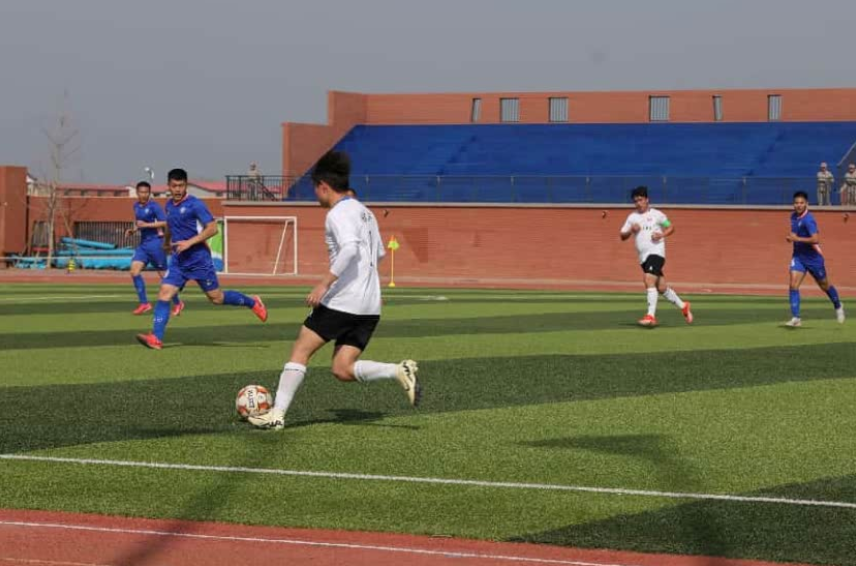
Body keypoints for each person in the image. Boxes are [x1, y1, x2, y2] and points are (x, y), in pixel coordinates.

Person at [249, 151, 419, 430]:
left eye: (315, 188)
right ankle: (398, 371)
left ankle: (276, 415)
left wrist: (324, 283)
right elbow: (378, 254)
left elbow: (350, 249)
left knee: (301, 350)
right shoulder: (366, 213)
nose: (315, 194)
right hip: (369, 305)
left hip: (343, 301)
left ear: (324, 186)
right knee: (342, 368)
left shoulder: (337, 214)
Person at [136, 168, 268, 350]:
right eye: (174, 186)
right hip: (179, 261)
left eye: (181, 185)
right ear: (168, 186)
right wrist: (166, 243)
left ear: (186, 185)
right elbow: (170, 226)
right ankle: (156, 338)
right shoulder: (169, 206)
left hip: (199, 260)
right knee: (164, 293)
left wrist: (189, 243)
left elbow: (213, 228)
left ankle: (252, 302)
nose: (177, 189)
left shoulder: (195, 204)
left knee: (216, 298)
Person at [619, 186, 693, 327]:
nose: (638, 203)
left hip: (657, 253)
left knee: (648, 279)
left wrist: (662, 234)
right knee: (661, 287)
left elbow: (671, 227)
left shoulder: (658, 215)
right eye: (635, 201)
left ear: (647, 200)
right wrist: (631, 230)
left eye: (640, 200)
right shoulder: (632, 217)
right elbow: (622, 236)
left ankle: (650, 316)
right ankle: (684, 306)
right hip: (643, 258)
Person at [784, 191, 845, 327]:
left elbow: (815, 239)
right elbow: (794, 233)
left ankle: (837, 305)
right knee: (793, 284)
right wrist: (791, 238)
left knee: (824, 286)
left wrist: (797, 238)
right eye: (796, 203)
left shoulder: (809, 220)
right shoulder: (793, 216)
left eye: (801, 203)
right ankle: (796, 318)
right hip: (798, 257)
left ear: (807, 204)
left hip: (813, 259)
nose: (798, 205)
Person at [125, 181, 184, 316]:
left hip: (156, 244)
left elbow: (165, 222)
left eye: (146, 192)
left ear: (149, 193)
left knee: (164, 277)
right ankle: (144, 303)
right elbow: (139, 223)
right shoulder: (136, 206)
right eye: (141, 192)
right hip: (143, 245)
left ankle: (177, 303)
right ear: (137, 193)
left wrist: (146, 225)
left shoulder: (154, 207)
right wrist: (133, 230)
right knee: (134, 271)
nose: (144, 195)